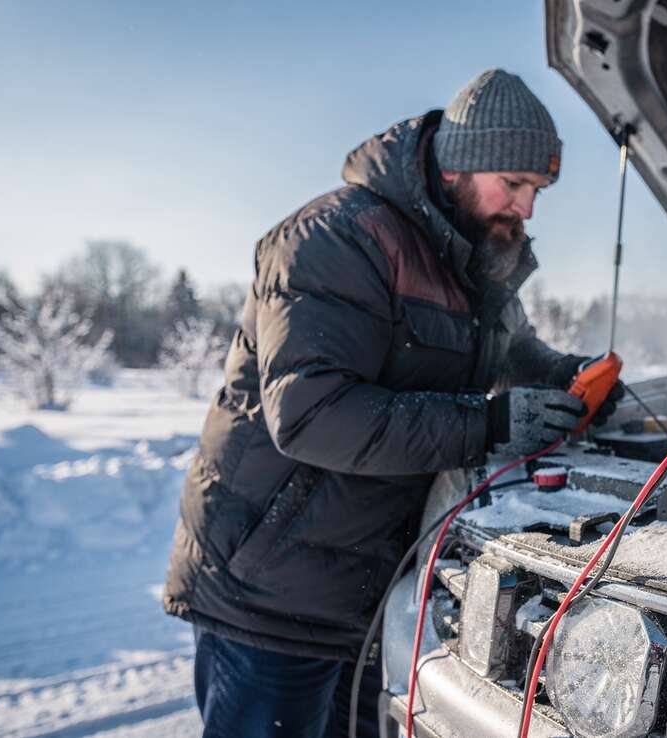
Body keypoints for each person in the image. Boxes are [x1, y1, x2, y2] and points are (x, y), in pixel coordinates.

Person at [162, 68, 621, 737]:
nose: (526, 208)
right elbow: (313, 415)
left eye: (537, 190)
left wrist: (567, 377)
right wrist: (489, 424)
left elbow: (511, 348)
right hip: (270, 588)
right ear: (459, 166)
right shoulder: (335, 239)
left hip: (366, 588)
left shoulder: (466, 251)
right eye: (513, 184)